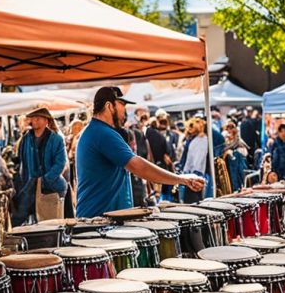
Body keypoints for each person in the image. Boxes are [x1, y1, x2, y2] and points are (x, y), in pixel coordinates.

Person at [76, 87, 204, 217]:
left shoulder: (97, 130)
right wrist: (181, 179)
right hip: (97, 222)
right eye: (122, 105)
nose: (125, 112)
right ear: (109, 106)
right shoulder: (102, 133)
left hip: (100, 220)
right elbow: (138, 166)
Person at [13, 108, 67, 225]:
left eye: (38, 118)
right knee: (23, 220)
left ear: (46, 121)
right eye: (33, 118)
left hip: (52, 187)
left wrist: (44, 180)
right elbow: (22, 163)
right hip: (30, 186)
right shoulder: (26, 139)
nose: (35, 120)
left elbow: (60, 163)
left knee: (51, 224)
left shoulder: (56, 139)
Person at [146, 110, 174, 202]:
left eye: (164, 121)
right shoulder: (156, 136)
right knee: (162, 195)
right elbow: (167, 156)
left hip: (157, 167)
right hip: (160, 167)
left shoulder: (170, 135)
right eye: (161, 121)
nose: (163, 124)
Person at [181, 118, 210, 203]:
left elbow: (199, 158)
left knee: (192, 199)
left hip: (195, 173)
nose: (189, 129)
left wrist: (195, 174)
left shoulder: (202, 139)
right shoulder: (194, 138)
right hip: (191, 173)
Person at [222, 120, 249, 191]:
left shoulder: (239, 142)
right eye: (228, 130)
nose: (229, 132)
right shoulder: (224, 141)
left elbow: (245, 153)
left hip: (237, 165)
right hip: (228, 167)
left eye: (231, 130)